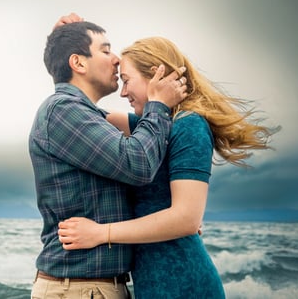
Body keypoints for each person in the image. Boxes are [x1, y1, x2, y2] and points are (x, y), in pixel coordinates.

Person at [58, 36, 279, 298]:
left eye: (127, 81)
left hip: (184, 283)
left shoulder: (190, 124)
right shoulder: (151, 124)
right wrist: (67, 44)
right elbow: (80, 116)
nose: (123, 92)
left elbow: (186, 219)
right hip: (152, 281)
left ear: (156, 76)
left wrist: (99, 233)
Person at [29, 17, 188, 299]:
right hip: (80, 289)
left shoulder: (86, 116)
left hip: (91, 287)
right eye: (105, 50)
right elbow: (138, 163)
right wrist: (159, 105)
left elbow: (143, 150)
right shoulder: (64, 110)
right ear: (78, 63)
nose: (116, 60)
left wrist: (177, 214)